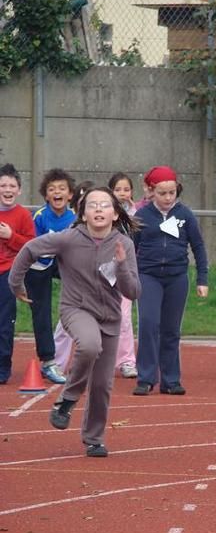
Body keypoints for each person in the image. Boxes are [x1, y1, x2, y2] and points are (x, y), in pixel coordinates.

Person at [9, 186, 141, 457]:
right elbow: (29, 249)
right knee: (89, 345)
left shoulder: (123, 245)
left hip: (110, 317)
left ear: (115, 214)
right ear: (83, 213)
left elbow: (133, 291)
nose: (99, 209)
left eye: (105, 205)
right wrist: (16, 283)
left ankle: (94, 438)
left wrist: (123, 265)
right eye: (92, 205)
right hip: (76, 309)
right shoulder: (68, 239)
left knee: (103, 385)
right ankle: (67, 399)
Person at [132, 165, 208, 396]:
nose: (167, 198)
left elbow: (198, 246)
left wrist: (202, 279)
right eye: (162, 193)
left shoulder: (185, 215)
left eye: (172, 192)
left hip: (177, 277)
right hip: (148, 276)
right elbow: (129, 247)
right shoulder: (142, 216)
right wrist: (126, 276)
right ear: (150, 192)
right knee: (148, 324)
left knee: (171, 329)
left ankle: (171, 379)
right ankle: (146, 378)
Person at [25, 168, 76, 384]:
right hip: (38, 265)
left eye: (62, 189)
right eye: (52, 189)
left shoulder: (74, 218)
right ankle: (48, 361)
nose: (57, 192)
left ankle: (89, 351)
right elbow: (32, 247)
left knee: (84, 295)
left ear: (70, 194)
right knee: (42, 310)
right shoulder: (39, 217)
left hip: (63, 263)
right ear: (46, 195)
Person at [53, 180, 94, 373]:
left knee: (100, 328)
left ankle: (96, 365)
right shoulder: (71, 229)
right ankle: (58, 363)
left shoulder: (107, 227)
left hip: (99, 288)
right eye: (82, 202)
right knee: (65, 327)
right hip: (75, 289)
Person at [0, 163, 35, 384]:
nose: (7, 189)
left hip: (7, 273)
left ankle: (3, 367)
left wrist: (10, 235)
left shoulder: (23, 215)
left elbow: (31, 246)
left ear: (19, 190)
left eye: (12, 185)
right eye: (3, 185)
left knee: (4, 322)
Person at [108, 172, 138, 379]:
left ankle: (127, 361)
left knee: (125, 318)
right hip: (105, 272)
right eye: (118, 189)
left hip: (126, 272)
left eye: (126, 189)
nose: (122, 193)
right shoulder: (104, 213)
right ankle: (100, 359)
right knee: (102, 316)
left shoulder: (138, 215)